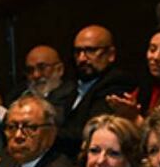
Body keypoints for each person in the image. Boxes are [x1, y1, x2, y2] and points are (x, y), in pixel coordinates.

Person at [52, 25, 134, 157]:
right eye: (77, 52)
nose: (82, 58)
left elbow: (88, 133)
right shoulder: (74, 85)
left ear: (111, 55)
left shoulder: (116, 83)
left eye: (90, 50)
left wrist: (45, 132)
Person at [0, 45, 75, 129]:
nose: (36, 75)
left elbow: (45, 123)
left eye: (42, 68)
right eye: (30, 70)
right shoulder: (17, 94)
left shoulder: (71, 94)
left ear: (59, 69)